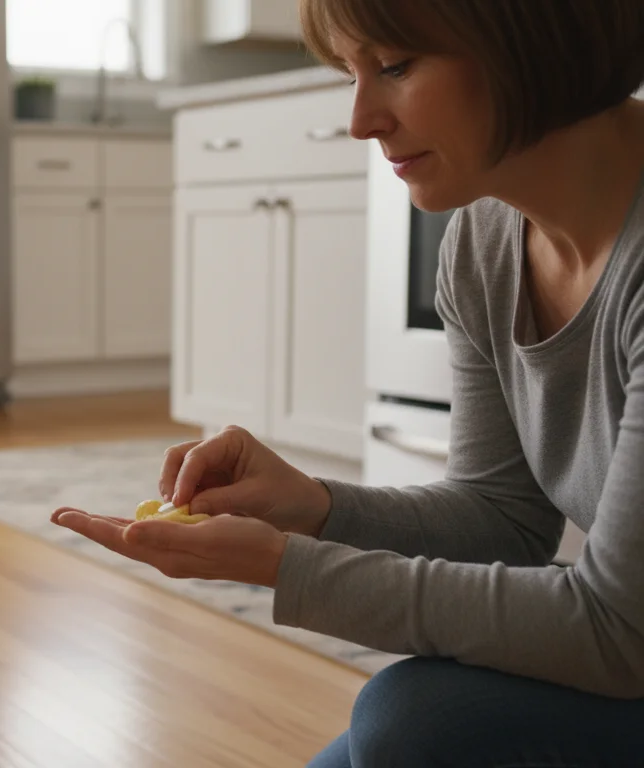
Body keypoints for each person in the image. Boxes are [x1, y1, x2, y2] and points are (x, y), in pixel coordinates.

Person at [51, 0, 644, 764]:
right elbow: (503, 520)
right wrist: (313, 507)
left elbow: (617, 633)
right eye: (350, 73)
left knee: (416, 722)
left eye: (394, 66)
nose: (361, 120)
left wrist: (281, 565)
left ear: (532, 37)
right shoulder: (486, 240)